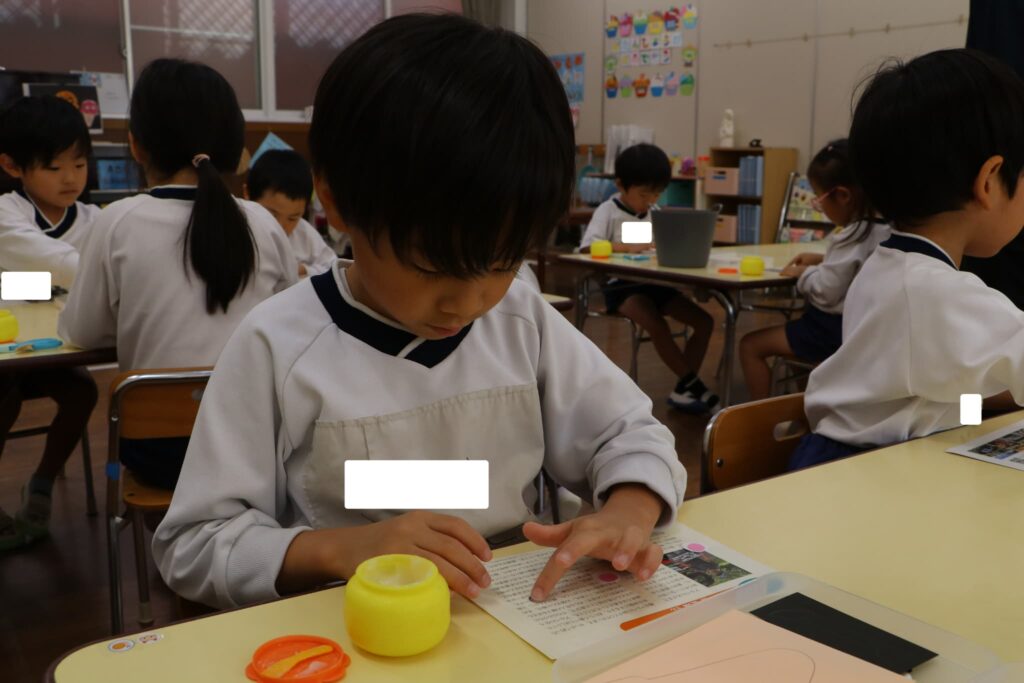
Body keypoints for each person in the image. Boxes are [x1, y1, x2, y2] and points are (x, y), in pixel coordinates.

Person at [153, 13, 686, 610]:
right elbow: (195, 543)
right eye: (433, 268)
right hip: (356, 619)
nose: (468, 302)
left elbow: (630, 433)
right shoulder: (278, 345)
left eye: (502, 262)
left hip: (514, 611)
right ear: (337, 203)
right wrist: (343, 549)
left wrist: (628, 509)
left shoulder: (519, 320)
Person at [59, 58, 297, 489]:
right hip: (257, 446)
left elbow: (85, 332)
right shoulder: (263, 223)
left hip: (156, 453)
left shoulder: (116, 222)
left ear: (136, 146)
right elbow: (290, 325)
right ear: (234, 147)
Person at [790, 49, 1024, 470]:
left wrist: (994, 410)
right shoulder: (938, 291)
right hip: (867, 474)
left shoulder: (887, 266)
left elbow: (929, 399)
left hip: (848, 457)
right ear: (989, 182)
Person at [0, 95, 99, 549]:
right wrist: (57, 284)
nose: (71, 178)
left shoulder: (94, 219)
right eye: (54, 167)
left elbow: (45, 281)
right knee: (4, 399)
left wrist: (38, 285)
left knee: (83, 392)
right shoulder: (8, 212)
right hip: (9, 352)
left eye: (79, 164)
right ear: (12, 166)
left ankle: (40, 484)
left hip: (52, 348)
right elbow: (64, 269)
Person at [738, 139, 890, 400]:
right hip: (864, 331)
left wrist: (804, 274)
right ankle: (804, 412)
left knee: (750, 345)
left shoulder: (851, 236)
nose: (819, 206)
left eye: (819, 198)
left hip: (831, 331)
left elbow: (826, 291)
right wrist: (822, 260)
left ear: (843, 196)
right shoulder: (886, 229)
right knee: (795, 348)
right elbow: (857, 269)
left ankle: (763, 419)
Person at [579, 143, 717, 413]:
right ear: (620, 185)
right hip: (621, 287)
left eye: (657, 193)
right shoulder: (608, 210)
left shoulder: (655, 214)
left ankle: (683, 390)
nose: (651, 199)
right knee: (654, 321)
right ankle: (695, 385)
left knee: (704, 321)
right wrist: (625, 247)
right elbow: (587, 247)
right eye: (644, 194)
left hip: (656, 284)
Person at [244, 149, 336, 277]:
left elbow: (333, 266)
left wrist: (304, 270)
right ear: (247, 194)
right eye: (271, 215)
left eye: (292, 218)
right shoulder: (235, 229)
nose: (280, 227)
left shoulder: (303, 233)